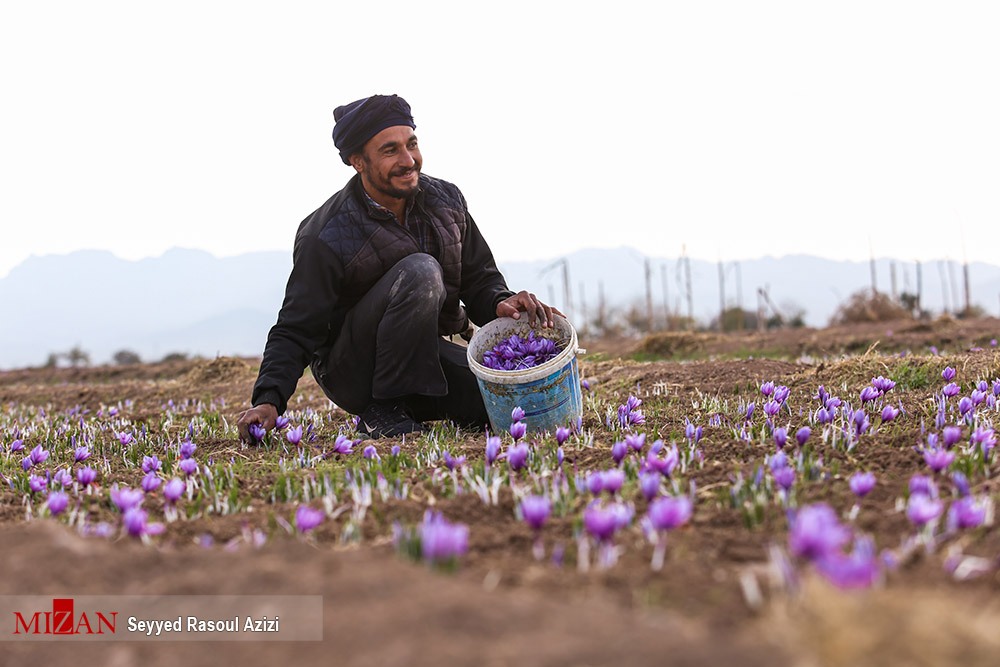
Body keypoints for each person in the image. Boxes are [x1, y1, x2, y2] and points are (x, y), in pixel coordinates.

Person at [237, 94, 558, 441]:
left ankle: (414, 405)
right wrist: (269, 398)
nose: (408, 161)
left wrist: (499, 300)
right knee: (421, 272)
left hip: (423, 357)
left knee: (509, 403)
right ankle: (383, 410)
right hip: (354, 373)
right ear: (358, 161)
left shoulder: (446, 201)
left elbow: (479, 277)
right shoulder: (325, 234)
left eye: (412, 144)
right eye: (390, 150)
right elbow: (295, 327)